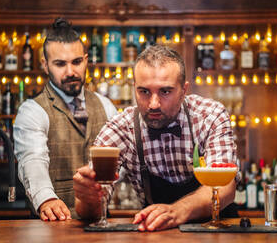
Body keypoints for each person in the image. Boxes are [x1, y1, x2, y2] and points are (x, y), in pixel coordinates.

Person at [73, 44, 237, 231]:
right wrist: (88, 198)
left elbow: (225, 188)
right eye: (144, 92)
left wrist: (176, 212)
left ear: (184, 91)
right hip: (155, 231)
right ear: (134, 88)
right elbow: (91, 209)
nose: (153, 104)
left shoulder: (210, 115)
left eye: (165, 91)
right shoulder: (121, 127)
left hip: (217, 229)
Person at [14, 18, 117, 221]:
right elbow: (33, 158)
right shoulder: (32, 111)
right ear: (45, 65)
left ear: (86, 60)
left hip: (101, 224)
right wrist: (46, 199)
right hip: (52, 225)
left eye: (77, 62)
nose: (70, 72)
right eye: (60, 64)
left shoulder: (106, 106)